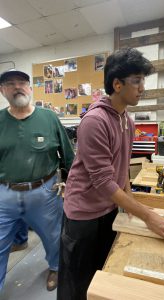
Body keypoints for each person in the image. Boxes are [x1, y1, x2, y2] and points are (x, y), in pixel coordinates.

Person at [57, 48, 164, 300]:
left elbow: (122, 166)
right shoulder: (95, 121)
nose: (142, 88)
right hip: (83, 215)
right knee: (78, 281)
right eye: (136, 81)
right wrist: (147, 215)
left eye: (143, 81)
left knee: (103, 271)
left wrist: (130, 202)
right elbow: (103, 181)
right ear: (117, 84)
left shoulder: (127, 119)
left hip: (109, 208)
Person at [0, 69, 74, 292]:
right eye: (10, 84)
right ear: (2, 91)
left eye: (22, 82)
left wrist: (71, 184)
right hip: (5, 194)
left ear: (30, 88)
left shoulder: (48, 117)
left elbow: (68, 155)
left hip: (44, 192)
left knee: (53, 237)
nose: (17, 87)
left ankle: (55, 267)